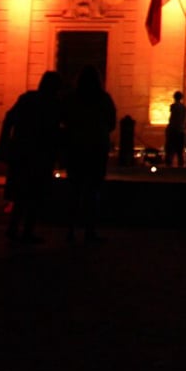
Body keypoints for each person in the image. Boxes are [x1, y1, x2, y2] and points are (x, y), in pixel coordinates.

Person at [0, 73, 63, 243]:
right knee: (35, 195)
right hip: (40, 155)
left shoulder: (27, 99)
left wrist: (4, 141)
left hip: (22, 152)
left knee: (21, 194)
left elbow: (9, 119)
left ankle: (14, 228)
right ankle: (27, 231)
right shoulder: (54, 105)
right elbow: (56, 131)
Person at [61, 66, 117, 243]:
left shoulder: (71, 98)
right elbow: (111, 122)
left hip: (75, 147)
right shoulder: (103, 99)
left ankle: (70, 231)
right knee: (93, 191)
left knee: (74, 190)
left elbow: (63, 118)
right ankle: (89, 231)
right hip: (96, 148)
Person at [164, 92, 186, 169]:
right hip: (180, 131)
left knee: (170, 150)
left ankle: (168, 166)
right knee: (179, 151)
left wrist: (169, 129)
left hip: (173, 131)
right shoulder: (184, 108)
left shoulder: (174, 106)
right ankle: (180, 166)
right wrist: (184, 127)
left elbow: (172, 119)